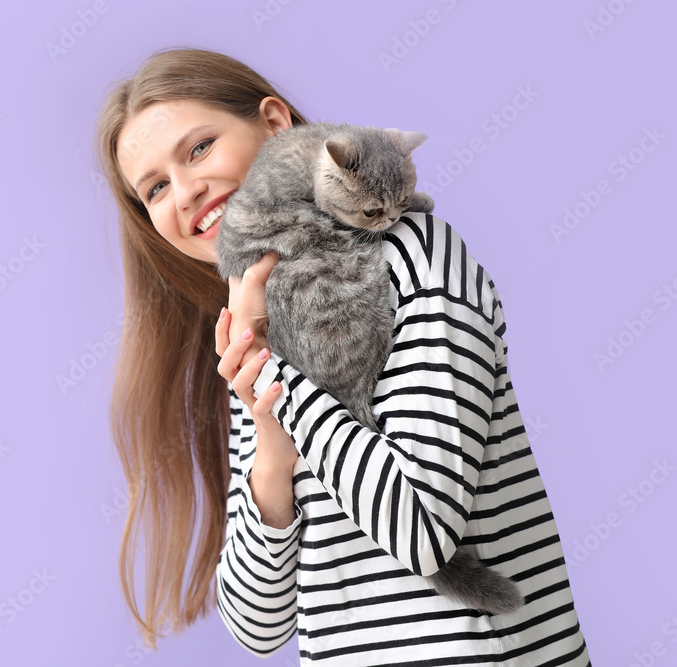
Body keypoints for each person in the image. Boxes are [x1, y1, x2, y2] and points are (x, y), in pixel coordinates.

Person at [95, 47, 592, 665]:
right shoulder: (248, 325)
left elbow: (424, 531)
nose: (188, 190)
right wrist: (271, 441)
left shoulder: (408, 255)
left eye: (199, 148)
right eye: (156, 188)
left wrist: (275, 377)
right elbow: (259, 625)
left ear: (275, 125)